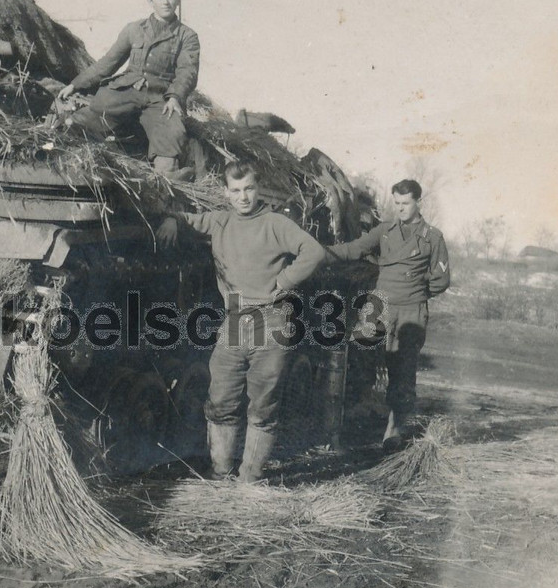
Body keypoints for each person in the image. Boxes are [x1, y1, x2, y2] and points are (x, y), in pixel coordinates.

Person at [156, 161, 324, 481]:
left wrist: (286, 280)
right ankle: (221, 473)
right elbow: (186, 219)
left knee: (263, 402)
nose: (243, 197)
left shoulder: (275, 223)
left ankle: (249, 479)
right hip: (235, 316)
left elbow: (313, 251)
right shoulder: (220, 221)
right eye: (236, 191)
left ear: (257, 188)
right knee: (221, 396)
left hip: (272, 317)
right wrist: (170, 219)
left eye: (248, 188)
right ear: (226, 193)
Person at [324, 179, 451, 448]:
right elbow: (353, 249)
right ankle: (352, 419)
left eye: (406, 204)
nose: (401, 209)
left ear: (419, 203)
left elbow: (441, 280)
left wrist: (414, 290)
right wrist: (320, 253)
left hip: (410, 310)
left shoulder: (432, 237)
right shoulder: (384, 231)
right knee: (361, 359)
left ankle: (395, 430)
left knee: (402, 370)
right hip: (379, 305)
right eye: (397, 204)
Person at [58, 0, 200, 176]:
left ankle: (166, 179)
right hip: (124, 92)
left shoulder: (187, 36)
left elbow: (187, 72)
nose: (166, 2)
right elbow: (108, 62)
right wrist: (75, 84)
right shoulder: (134, 29)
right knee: (84, 119)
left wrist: (175, 97)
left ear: (178, 0)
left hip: (160, 99)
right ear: (150, 0)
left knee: (171, 135)